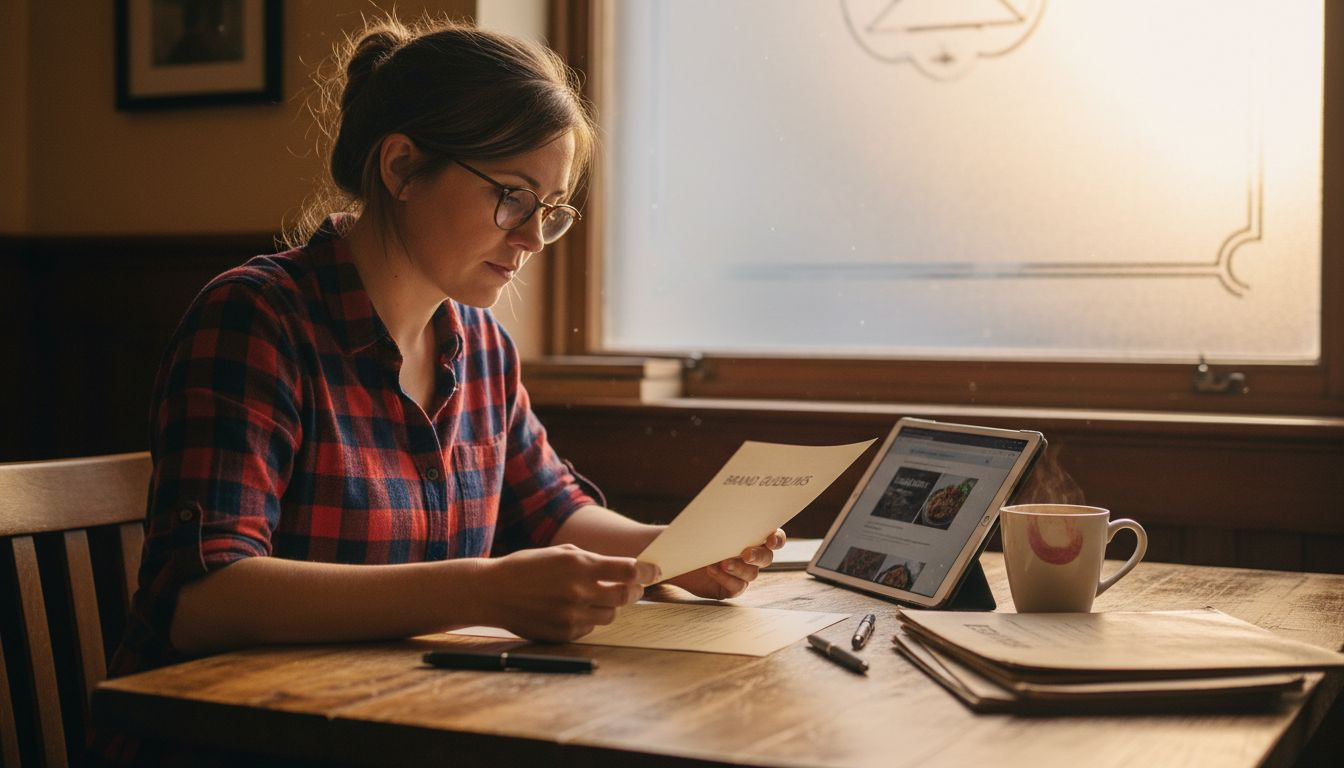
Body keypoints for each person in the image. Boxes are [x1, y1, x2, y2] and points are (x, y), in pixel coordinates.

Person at [92, 13, 782, 765]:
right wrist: (481, 592)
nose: (530, 238)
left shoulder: (480, 345)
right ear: (400, 168)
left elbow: (553, 512)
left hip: (400, 722)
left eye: (550, 211)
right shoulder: (257, 318)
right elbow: (204, 600)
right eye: (513, 196)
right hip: (228, 741)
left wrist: (673, 555)